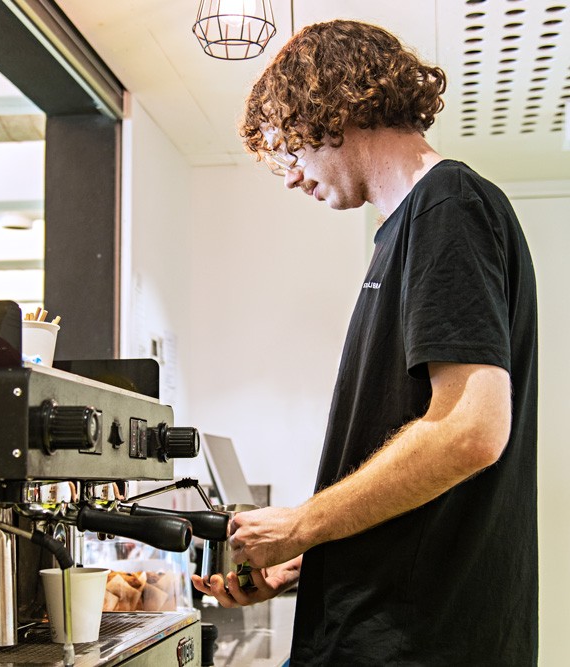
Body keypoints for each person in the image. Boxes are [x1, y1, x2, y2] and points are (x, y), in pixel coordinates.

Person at [191, 20, 538, 666]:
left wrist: (302, 523)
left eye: (290, 149)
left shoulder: (447, 207)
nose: (292, 176)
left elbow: (470, 427)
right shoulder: (402, 232)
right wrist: (308, 557)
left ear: (334, 108)